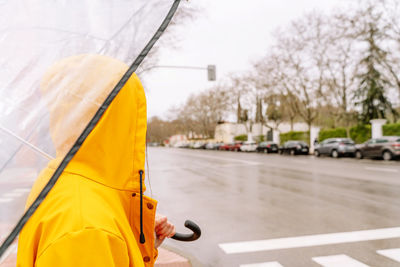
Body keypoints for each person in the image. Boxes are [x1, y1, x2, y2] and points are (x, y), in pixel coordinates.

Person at [16, 54, 175, 267]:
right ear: (116, 116)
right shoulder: (86, 228)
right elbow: (87, 243)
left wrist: (138, 242)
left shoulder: (66, 180)